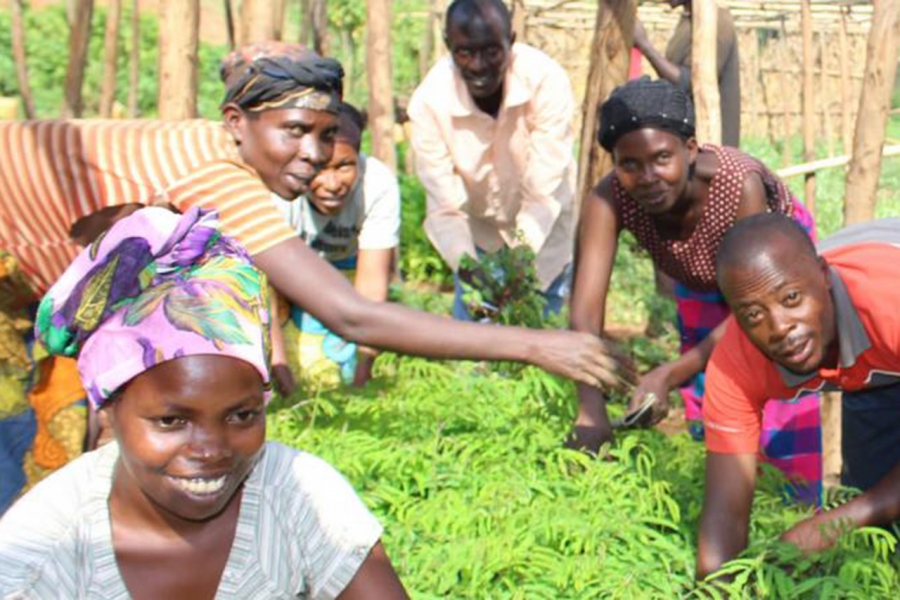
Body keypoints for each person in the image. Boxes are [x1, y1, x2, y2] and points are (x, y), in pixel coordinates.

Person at [0, 43, 629, 512]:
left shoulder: (207, 150)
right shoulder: (219, 178)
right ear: (236, 122)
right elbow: (352, 315)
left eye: (328, 135)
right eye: (295, 131)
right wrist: (539, 345)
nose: (314, 154)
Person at [0, 206, 409, 599]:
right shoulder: (39, 552)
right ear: (107, 407)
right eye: (171, 421)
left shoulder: (297, 497)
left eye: (242, 415)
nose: (212, 449)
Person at [570, 78, 821, 502]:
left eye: (662, 158)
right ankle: (724, 502)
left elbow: (753, 311)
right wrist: (590, 409)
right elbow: (585, 313)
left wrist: (668, 373)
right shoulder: (609, 199)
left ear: (690, 149)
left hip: (774, 276)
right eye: (629, 164)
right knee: (712, 399)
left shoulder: (738, 185)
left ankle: (797, 517)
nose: (648, 177)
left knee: (781, 393)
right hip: (700, 276)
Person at [697, 214, 900, 577]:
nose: (779, 327)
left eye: (791, 298)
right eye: (753, 314)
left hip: (886, 311)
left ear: (824, 276)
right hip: (876, 371)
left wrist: (834, 524)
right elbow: (724, 517)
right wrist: (721, 588)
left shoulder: (890, 303)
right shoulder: (735, 367)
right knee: (879, 543)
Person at [408, 0, 577, 321]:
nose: (478, 65)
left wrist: (521, 258)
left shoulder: (545, 80)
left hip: (545, 232)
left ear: (511, 41)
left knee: (540, 334)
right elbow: (444, 207)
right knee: (474, 338)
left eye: (492, 51)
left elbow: (542, 190)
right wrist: (469, 270)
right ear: (447, 45)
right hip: (478, 237)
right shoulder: (429, 102)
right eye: (464, 52)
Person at [270, 102, 399, 389]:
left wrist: (364, 371)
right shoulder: (280, 190)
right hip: (287, 273)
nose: (331, 184)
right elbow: (263, 290)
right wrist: (279, 368)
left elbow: (372, 287)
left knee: (341, 370)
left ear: (359, 158)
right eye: (319, 168)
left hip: (349, 270)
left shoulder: (377, 184)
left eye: (344, 166)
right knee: (299, 366)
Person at [632, 0, 741, 147]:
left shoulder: (717, 20)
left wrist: (645, 45)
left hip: (711, 145)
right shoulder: (688, 19)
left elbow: (690, 82)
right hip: (687, 141)